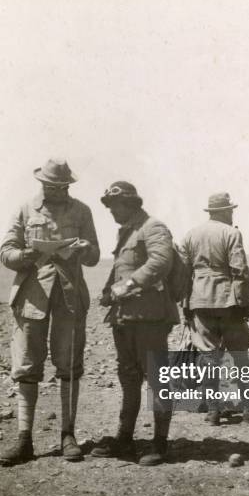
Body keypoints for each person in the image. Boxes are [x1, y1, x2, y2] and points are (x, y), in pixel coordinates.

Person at [0, 158, 100, 465]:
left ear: (67, 185)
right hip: (32, 296)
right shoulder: (25, 209)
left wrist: (83, 249)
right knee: (27, 365)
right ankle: (24, 439)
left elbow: (95, 254)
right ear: (41, 183)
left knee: (69, 364)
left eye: (59, 186)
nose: (54, 191)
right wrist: (27, 254)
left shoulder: (82, 211)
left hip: (69, 296)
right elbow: (5, 252)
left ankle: (67, 435)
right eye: (48, 186)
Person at [91, 181, 179, 466]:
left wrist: (128, 285)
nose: (111, 210)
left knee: (157, 379)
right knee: (128, 378)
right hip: (125, 319)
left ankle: (160, 444)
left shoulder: (152, 227)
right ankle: (124, 438)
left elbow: (161, 262)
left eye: (114, 205)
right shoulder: (127, 232)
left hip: (150, 318)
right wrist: (108, 291)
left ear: (130, 203)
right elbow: (121, 269)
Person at [180, 192, 249, 426]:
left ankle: (213, 412)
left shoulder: (190, 234)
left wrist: (185, 304)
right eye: (231, 210)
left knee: (209, 357)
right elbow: (240, 271)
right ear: (225, 211)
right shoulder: (231, 233)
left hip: (199, 300)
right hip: (228, 300)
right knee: (240, 356)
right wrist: (244, 303)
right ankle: (248, 410)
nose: (232, 214)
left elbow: (182, 274)